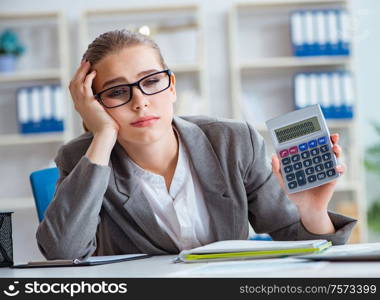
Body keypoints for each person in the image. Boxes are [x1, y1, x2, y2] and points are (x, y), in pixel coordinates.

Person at [36, 30, 356, 260]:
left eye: (151, 82)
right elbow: (63, 254)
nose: (140, 102)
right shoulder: (82, 158)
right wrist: (103, 133)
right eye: (118, 92)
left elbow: (300, 245)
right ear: (94, 102)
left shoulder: (233, 141)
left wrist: (312, 212)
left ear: (172, 86)